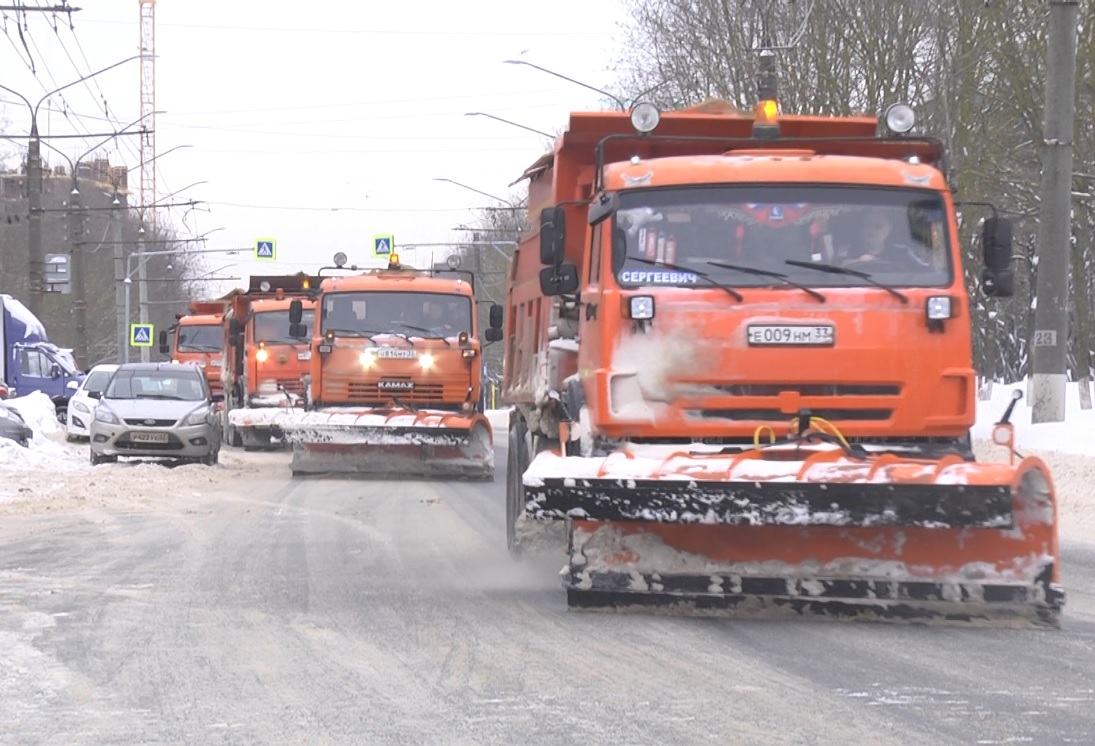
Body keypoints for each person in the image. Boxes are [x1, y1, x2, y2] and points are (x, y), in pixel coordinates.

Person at [839, 209, 930, 269]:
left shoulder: (902, 252)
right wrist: (858, 262)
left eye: (878, 226)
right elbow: (832, 271)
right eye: (867, 225)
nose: (872, 230)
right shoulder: (848, 250)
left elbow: (925, 271)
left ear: (889, 229)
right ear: (861, 228)